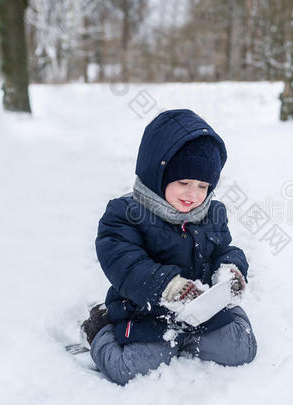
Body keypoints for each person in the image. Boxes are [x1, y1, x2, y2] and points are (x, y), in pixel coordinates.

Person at [81, 109, 257, 385]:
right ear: (157, 175)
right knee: (129, 368)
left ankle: (187, 339)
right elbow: (125, 265)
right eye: (183, 182)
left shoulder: (213, 212)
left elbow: (224, 249)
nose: (193, 194)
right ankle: (100, 328)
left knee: (240, 348)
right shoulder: (126, 213)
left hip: (201, 310)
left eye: (202, 186)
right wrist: (169, 288)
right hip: (146, 312)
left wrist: (231, 269)